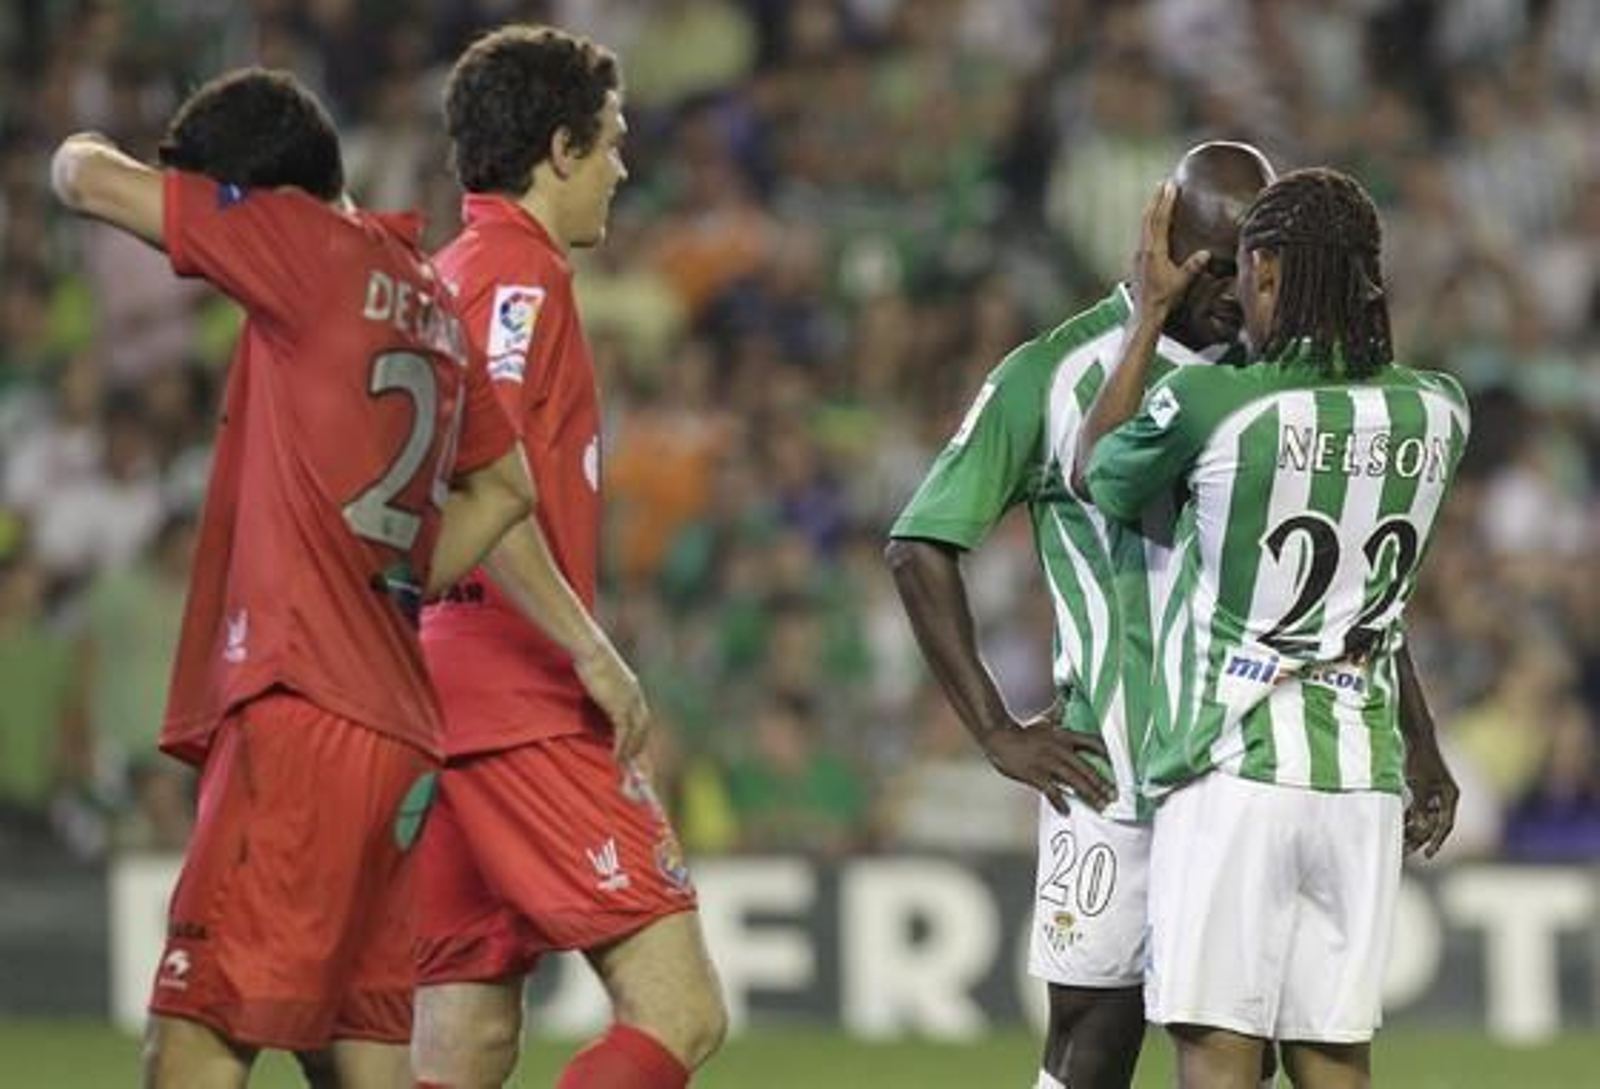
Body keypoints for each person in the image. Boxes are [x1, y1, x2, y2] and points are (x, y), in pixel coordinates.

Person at [51, 68, 536, 1088]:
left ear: (257, 197)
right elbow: (505, 491)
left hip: (302, 715)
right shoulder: (433, 302)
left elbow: (88, 181)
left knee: (194, 1041)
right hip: (397, 731)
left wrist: (80, 144)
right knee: (360, 1062)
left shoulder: (302, 246)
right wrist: (392, 579)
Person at [886, 142, 1277, 1089]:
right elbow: (919, 544)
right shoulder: (1051, 374)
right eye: (1210, 261)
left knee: (1239, 1048)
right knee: (1092, 1047)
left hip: (1239, 767)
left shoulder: (1270, 376)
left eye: (1249, 263)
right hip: (1110, 768)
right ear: (1160, 240)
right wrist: (992, 728)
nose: (1229, 287)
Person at [1077, 169, 1470, 1089]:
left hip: (1234, 766)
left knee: (1217, 1057)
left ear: (1261, 271)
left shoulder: (1221, 405)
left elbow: (1100, 470)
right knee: (1337, 1062)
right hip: (1361, 774)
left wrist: (1146, 315)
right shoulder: (1440, 409)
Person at [412, 26, 727, 1089]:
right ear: (558, 150)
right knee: (679, 1012)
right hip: (516, 696)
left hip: (436, 692)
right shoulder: (514, 278)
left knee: (466, 1041)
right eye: (610, 144)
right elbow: (477, 478)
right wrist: (590, 651)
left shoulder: (448, 269)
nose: (622, 170)